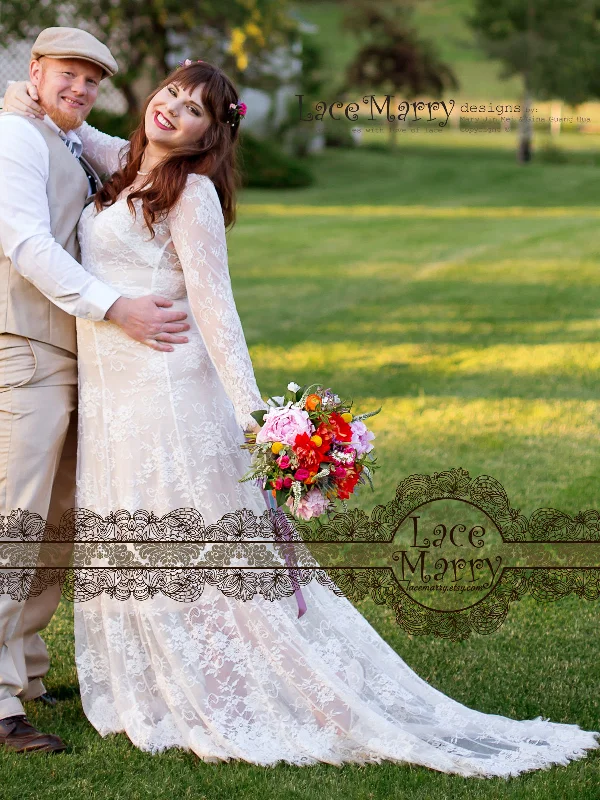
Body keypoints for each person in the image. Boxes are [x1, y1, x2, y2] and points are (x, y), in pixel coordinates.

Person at [5, 61, 600, 776]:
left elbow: (219, 316)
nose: (172, 110)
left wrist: (261, 422)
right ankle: (155, 673)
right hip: (115, 396)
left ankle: (222, 681)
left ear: (208, 137)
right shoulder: (122, 161)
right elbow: (78, 127)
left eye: (193, 110)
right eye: (170, 93)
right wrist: (28, 96)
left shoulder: (189, 195)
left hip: (166, 389)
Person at [0, 27, 191, 753]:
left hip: (75, 354)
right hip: (23, 349)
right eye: (68, 76)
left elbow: (137, 154)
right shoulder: (15, 137)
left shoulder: (71, 136)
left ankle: (27, 670)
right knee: (17, 520)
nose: (79, 90)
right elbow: (25, 242)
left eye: (91, 81)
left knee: (58, 521)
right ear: (36, 70)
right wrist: (118, 306)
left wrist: (196, 138)